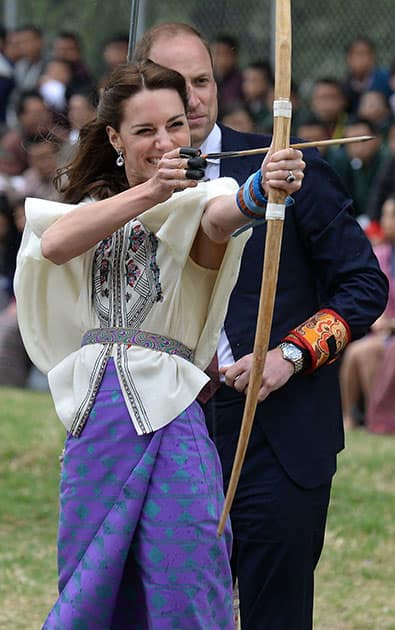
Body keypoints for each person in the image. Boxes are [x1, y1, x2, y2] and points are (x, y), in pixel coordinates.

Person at [14, 60, 304, 629]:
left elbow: (225, 215)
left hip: (169, 412)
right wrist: (150, 189)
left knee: (187, 568)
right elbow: (55, 244)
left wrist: (261, 187)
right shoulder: (89, 209)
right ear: (116, 139)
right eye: (145, 131)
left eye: (176, 125)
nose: (166, 142)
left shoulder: (200, 198)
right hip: (97, 419)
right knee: (90, 577)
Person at [133, 23, 389, 630]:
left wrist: (289, 355)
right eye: (173, 85)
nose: (192, 99)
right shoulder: (127, 191)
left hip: (279, 435)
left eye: (202, 82)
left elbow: (364, 287)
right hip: (169, 435)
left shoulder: (288, 164)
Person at [340, 194, 395, 431]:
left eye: (392, 216)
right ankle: (351, 417)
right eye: (385, 215)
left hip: (390, 333)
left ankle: (380, 419)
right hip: (378, 330)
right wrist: (379, 320)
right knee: (356, 351)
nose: (386, 221)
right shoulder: (380, 255)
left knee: (367, 351)